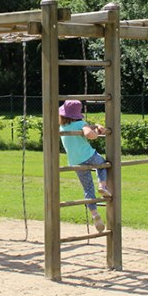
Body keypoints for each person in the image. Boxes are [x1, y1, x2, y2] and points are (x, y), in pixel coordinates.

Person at [58, 99, 109, 232]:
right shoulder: (81, 124)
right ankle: (102, 186)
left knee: (87, 188)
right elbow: (89, 134)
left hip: (76, 162)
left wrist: (95, 125)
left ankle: (95, 215)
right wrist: (97, 133)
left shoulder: (62, 127)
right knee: (103, 164)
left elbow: (85, 128)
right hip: (89, 156)